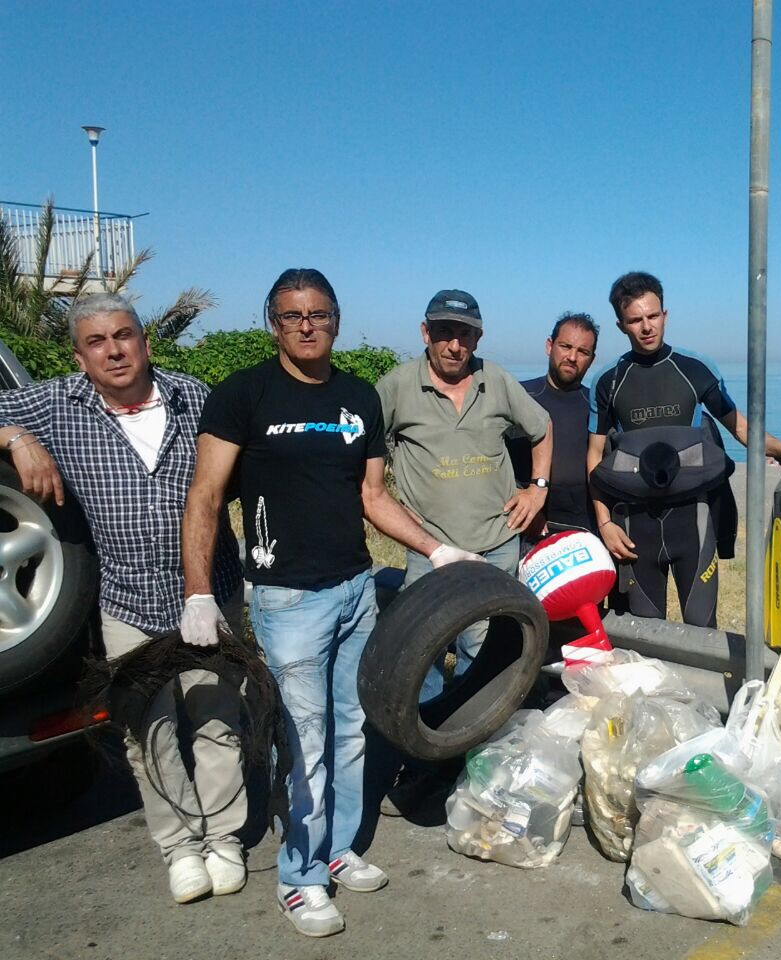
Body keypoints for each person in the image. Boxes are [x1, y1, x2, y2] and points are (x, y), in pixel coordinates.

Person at [182, 269, 474, 937]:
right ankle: (299, 876)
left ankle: (338, 850)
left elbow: (373, 498)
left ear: (336, 319)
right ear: (273, 324)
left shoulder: (357, 398)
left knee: (350, 732)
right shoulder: (242, 395)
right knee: (304, 741)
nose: (306, 325)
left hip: (353, 589)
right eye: (292, 316)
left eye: (318, 314)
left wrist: (438, 549)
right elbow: (204, 497)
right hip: (286, 601)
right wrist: (199, 592)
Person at [0, 292, 246, 904]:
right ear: (80, 356)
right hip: (127, 600)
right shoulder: (57, 403)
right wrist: (14, 436)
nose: (114, 350)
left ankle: (225, 839)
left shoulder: (195, 396)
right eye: (97, 342)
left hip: (209, 593)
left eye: (124, 335)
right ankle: (181, 848)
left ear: (145, 340)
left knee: (217, 719)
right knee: (148, 728)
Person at [588, 271, 781, 627]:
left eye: (653, 316)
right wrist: (604, 523)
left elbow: (740, 427)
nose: (647, 327)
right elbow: (595, 458)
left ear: (665, 315)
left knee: (702, 629)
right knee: (647, 639)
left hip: (693, 520)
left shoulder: (694, 369)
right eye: (635, 320)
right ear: (621, 326)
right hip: (634, 527)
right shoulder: (608, 381)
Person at [376, 289, 551, 699]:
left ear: (478, 337)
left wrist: (536, 489)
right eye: (444, 332)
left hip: (497, 544)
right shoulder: (396, 387)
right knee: (424, 652)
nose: (455, 345)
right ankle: (428, 750)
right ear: (425, 332)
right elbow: (360, 453)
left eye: (465, 334)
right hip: (430, 550)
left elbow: (541, 428)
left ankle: (476, 745)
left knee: (486, 651)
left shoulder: (497, 379)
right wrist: (388, 503)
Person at [508, 311, 599, 539]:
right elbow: (491, 458)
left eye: (582, 352)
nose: (572, 357)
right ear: (550, 346)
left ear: (591, 359)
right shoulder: (519, 396)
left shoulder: (598, 406)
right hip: (525, 523)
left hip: (584, 527)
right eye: (565, 346)